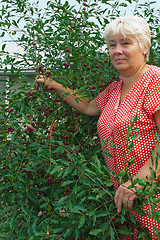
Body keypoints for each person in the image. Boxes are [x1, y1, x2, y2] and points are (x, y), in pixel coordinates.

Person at [36, 15, 160, 239]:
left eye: (125, 43)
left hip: (152, 193)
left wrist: (138, 182)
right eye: (112, 45)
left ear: (144, 47)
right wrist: (55, 86)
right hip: (124, 197)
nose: (117, 50)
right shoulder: (115, 88)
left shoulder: (155, 81)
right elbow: (88, 107)